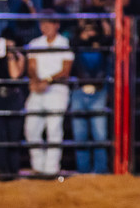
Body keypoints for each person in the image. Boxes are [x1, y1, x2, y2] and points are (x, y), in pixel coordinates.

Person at [25, 19, 74, 177]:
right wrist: (36, 81)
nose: (45, 27)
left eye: (48, 23)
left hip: (57, 90)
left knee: (54, 129)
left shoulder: (64, 43)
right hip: (38, 89)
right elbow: (31, 66)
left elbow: (66, 70)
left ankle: (51, 169)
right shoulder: (35, 43)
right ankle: (38, 166)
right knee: (31, 128)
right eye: (42, 24)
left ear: (57, 25)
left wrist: (47, 81)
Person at [70, 20, 112, 174]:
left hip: (98, 91)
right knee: (80, 135)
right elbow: (74, 42)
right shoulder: (77, 45)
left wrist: (104, 34)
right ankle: (83, 170)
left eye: (92, 30)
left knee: (99, 134)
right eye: (86, 30)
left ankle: (100, 170)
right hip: (79, 91)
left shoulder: (103, 45)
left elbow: (109, 40)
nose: (89, 33)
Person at [0, 28, 26, 179]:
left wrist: (10, 57)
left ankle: (13, 171)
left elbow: (15, 76)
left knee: (13, 135)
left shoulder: (19, 57)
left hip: (13, 97)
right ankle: (3, 170)